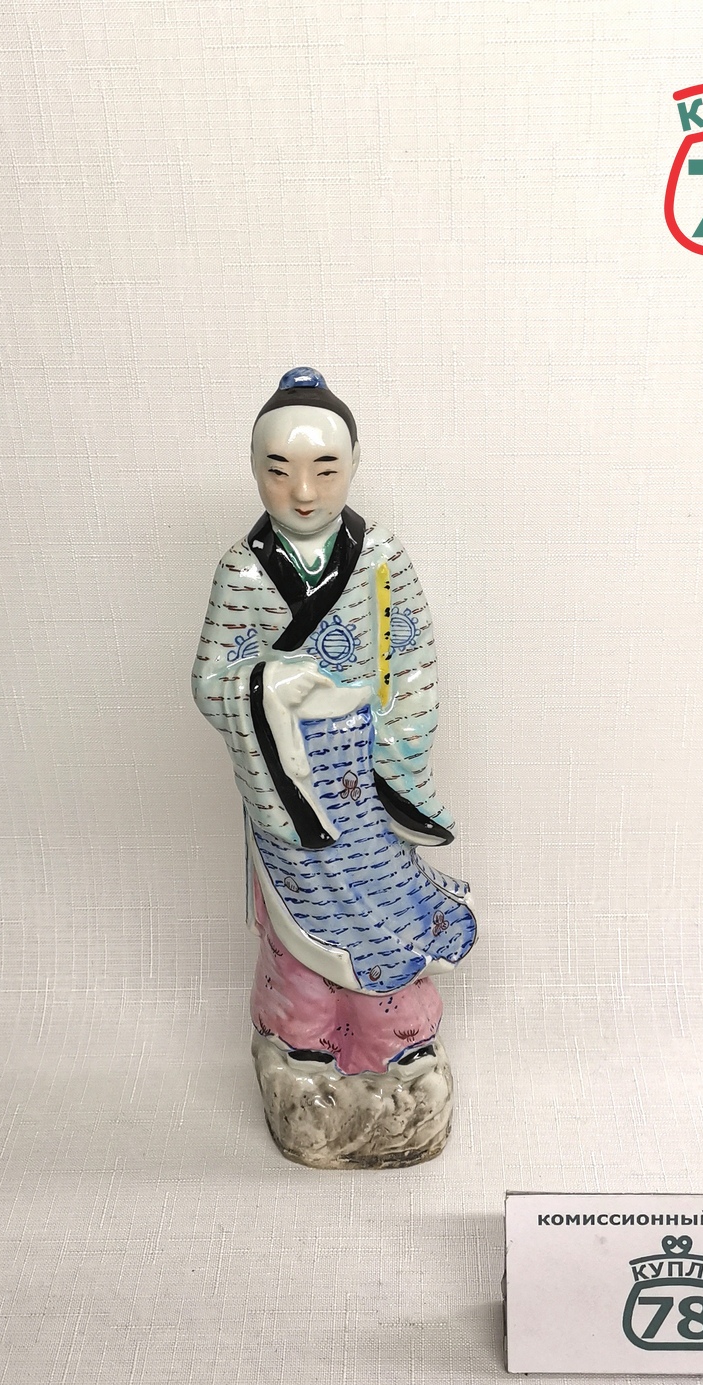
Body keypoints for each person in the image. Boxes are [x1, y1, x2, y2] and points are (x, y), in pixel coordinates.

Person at [192, 369, 476, 1162]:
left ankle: (395, 1038)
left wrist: (394, 756)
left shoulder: (381, 558)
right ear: (254, 471)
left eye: (325, 469)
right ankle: (304, 1042)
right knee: (299, 925)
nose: (304, 492)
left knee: (380, 904)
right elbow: (212, 677)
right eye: (278, 470)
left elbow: (413, 662)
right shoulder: (242, 571)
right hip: (286, 781)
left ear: (353, 466)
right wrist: (265, 686)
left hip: (367, 774)